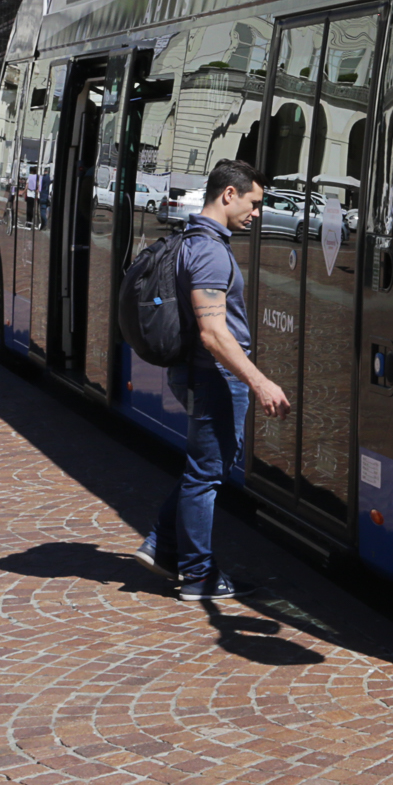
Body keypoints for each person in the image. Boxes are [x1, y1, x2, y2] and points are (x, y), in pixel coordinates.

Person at [131, 159, 291, 601]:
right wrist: (260, 383)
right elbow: (214, 334)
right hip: (214, 375)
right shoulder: (210, 252)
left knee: (207, 468)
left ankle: (162, 546)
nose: (257, 213)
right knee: (206, 476)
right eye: (254, 203)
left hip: (198, 373)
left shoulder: (192, 240)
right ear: (228, 195)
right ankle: (198, 575)